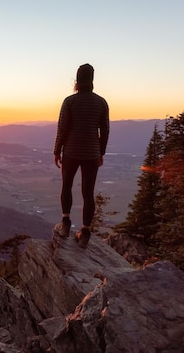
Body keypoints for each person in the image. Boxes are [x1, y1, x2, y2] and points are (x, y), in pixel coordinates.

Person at [53, 63, 110, 248]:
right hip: (92, 153)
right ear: (92, 80)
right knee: (88, 193)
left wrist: (56, 150)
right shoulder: (101, 103)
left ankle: (65, 225)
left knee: (67, 186)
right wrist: (101, 152)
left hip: (71, 151)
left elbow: (62, 129)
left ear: (77, 80)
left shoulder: (70, 101)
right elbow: (105, 130)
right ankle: (85, 233)